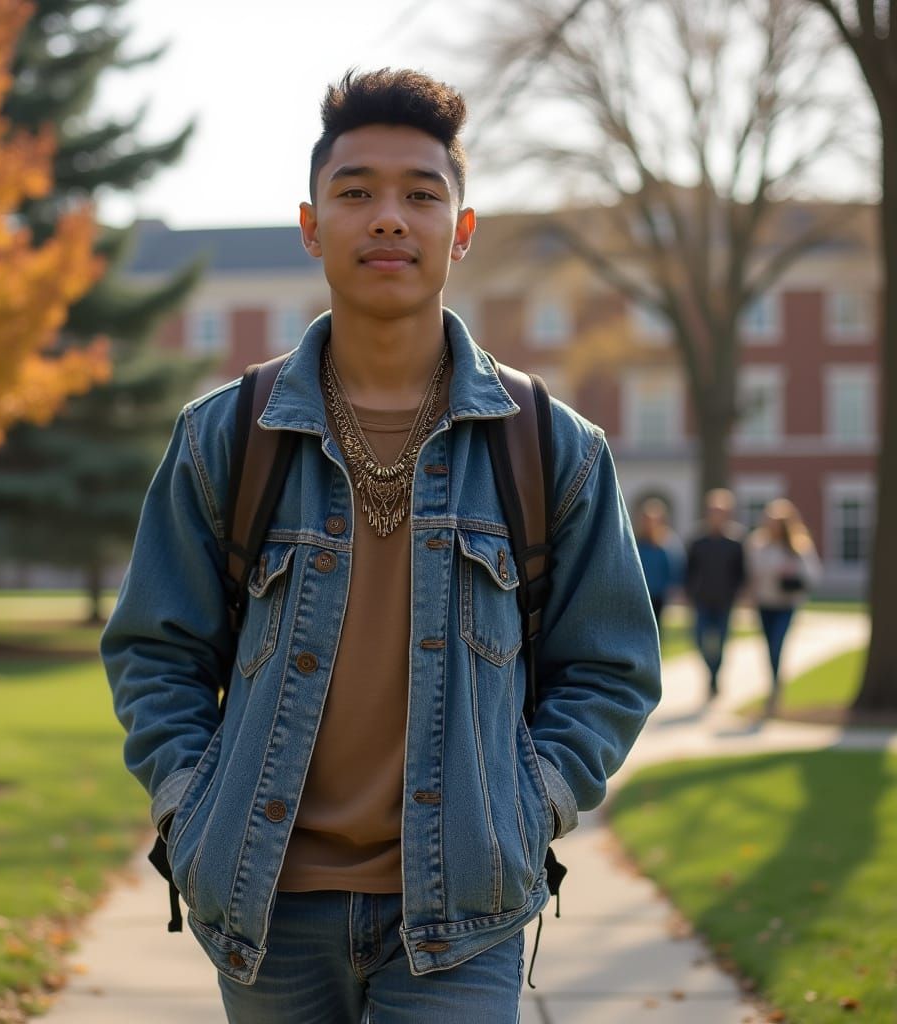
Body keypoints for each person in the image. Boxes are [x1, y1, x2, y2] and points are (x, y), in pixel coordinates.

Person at [101, 68, 661, 1024]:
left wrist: (530, 810)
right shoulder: (225, 437)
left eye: (420, 194)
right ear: (313, 226)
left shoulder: (551, 445)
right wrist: (187, 809)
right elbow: (157, 652)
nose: (389, 218)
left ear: (464, 230)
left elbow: (610, 669)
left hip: (466, 910)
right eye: (356, 193)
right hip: (265, 903)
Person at [745, 499, 821, 713]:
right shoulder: (758, 545)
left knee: (778, 643)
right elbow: (752, 573)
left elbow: (813, 574)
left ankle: (776, 686)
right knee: (769, 646)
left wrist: (792, 573)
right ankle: (774, 683)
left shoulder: (798, 546)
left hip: (786, 604)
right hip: (765, 603)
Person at [685, 488, 746, 699]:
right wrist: (688, 594)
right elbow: (689, 570)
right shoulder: (697, 540)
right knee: (700, 639)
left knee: (721, 642)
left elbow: (741, 573)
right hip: (701, 600)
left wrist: (740, 594)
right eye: (713, 510)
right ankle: (710, 674)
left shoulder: (736, 542)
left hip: (725, 601)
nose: (716, 515)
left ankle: (715, 677)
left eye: (720, 511)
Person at [633, 497, 684, 631]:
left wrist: (673, 587)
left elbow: (674, 568)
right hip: (638, 592)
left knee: (656, 627)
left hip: (659, 593)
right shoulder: (635, 541)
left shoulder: (668, 542)